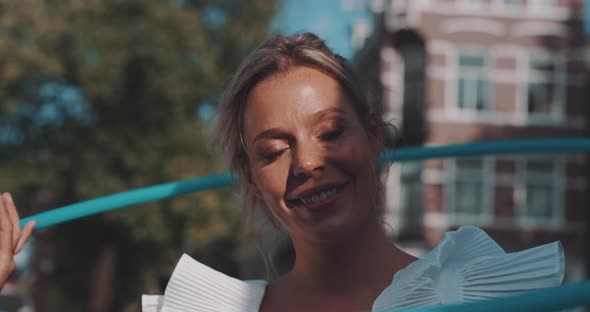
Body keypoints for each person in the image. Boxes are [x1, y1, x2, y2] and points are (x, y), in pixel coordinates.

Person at [1, 33, 564, 312]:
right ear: (249, 178)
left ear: (372, 135)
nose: (308, 164)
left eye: (330, 130)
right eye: (274, 150)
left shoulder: (472, 292)